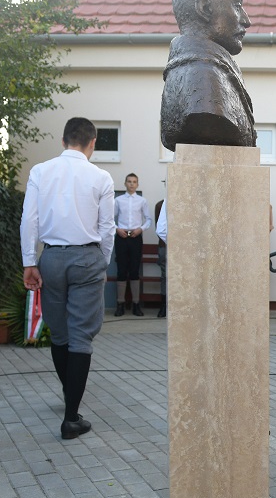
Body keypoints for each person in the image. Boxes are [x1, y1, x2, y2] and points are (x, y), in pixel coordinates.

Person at [20, 117, 115, 440]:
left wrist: (29, 262)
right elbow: (107, 229)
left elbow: (29, 220)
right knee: (81, 337)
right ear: (92, 144)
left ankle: (68, 397)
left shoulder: (40, 172)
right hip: (87, 257)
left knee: (59, 334)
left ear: (63, 142)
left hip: (52, 258)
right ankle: (71, 416)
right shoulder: (100, 177)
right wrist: (101, 264)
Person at [160, 0, 256, 151]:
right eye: (237, 5)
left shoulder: (208, 72)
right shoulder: (203, 78)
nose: (246, 20)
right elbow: (208, 117)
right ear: (205, 9)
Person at [113, 174, 152, 317]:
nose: (131, 184)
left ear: (137, 184)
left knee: (135, 270)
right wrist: (117, 229)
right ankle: (120, 304)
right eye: (129, 181)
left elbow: (148, 220)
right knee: (121, 270)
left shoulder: (142, 201)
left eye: (134, 182)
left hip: (135, 237)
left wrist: (140, 229)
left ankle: (136, 304)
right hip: (121, 237)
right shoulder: (118, 200)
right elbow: (111, 219)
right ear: (125, 183)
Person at [154, 198, 167, 318]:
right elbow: (160, 229)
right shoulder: (160, 204)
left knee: (166, 276)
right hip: (165, 245)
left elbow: (160, 229)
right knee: (165, 275)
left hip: (167, 244)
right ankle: (164, 305)